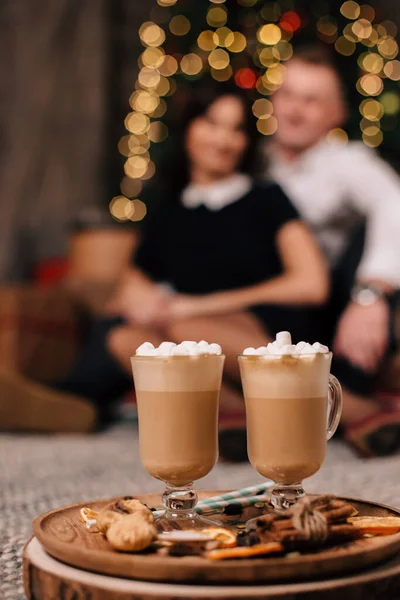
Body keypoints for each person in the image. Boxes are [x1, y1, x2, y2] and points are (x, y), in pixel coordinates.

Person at [0, 79, 328, 445]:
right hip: (188, 332)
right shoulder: (168, 210)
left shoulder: (266, 199)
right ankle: (228, 413)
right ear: (188, 130)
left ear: (247, 141)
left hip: (261, 330)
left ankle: (337, 404)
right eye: (212, 124)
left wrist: (195, 306)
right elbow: (132, 282)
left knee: (182, 330)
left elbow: (311, 285)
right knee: (126, 338)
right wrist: (141, 298)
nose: (223, 140)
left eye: (236, 129)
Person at [263, 45, 400, 456]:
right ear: (272, 102)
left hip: (333, 307)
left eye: (312, 99)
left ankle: (348, 397)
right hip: (273, 301)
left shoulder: (347, 161)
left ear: (335, 114)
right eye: (287, 95)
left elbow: (394, 203)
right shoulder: (252, 162)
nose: (295, 110)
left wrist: (371, 295)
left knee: (368, 227)